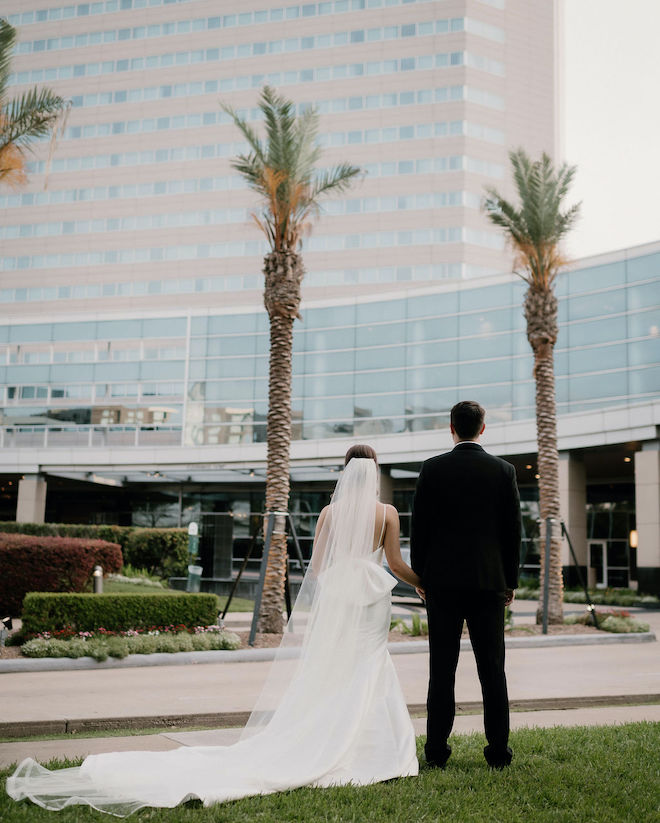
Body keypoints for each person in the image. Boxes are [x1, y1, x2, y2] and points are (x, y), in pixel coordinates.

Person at [7, 445, 422, 816]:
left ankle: (332, 739)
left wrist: (336, 590)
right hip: (372, 597)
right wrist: (420, 581)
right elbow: (395, 564)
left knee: (333, 668)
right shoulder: (386, 513)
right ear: (374, 472)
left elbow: (315, 568)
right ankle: (372, 750)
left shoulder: (331, 513)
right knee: (369, 664)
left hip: (340, 597)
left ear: (345, 473)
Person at [411, 401, 521, 769]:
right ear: (483, 428)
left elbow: (419, 529)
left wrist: (421, 578)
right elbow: (512, 533)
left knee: (441, 669)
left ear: (451, 428)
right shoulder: (503, 471)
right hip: (489, 583)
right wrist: (511, 581)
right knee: (493, 670)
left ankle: (436, 752)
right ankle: (498, 754)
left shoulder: (432, 469)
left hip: (441, 584)